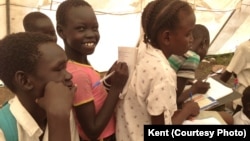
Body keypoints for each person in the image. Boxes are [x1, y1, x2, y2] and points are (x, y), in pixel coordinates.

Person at [115, 0, 200, 140]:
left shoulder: (139, 53)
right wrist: (186, 110)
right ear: (166, 37)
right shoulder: (163, 74)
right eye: (188, 34)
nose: (192, 39)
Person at [56, 0, 129, 140]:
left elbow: (95, 95)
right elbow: (92, 131)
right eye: (81, 29)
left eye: (94, 28)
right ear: (61, 31)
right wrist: (116, 88)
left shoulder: (81, 65)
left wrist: (108, 80)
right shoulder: (77, 75)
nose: (91, 34)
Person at [0, 32, 79, 141]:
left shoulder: (63, 110)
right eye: (58, 69)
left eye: (65, 67)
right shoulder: (3, 131)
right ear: (25, 81)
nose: (69, 75)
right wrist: (59, 118)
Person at [168, 24, 211, 106]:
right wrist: (195, 89)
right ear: (204, 43)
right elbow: (174, 100)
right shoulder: (192, 57)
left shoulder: (176, 49)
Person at [220, 39, 250, 110]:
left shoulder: (244, 47)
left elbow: (229, 72)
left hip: (244, 99)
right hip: (244, 99)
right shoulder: (244, 48)